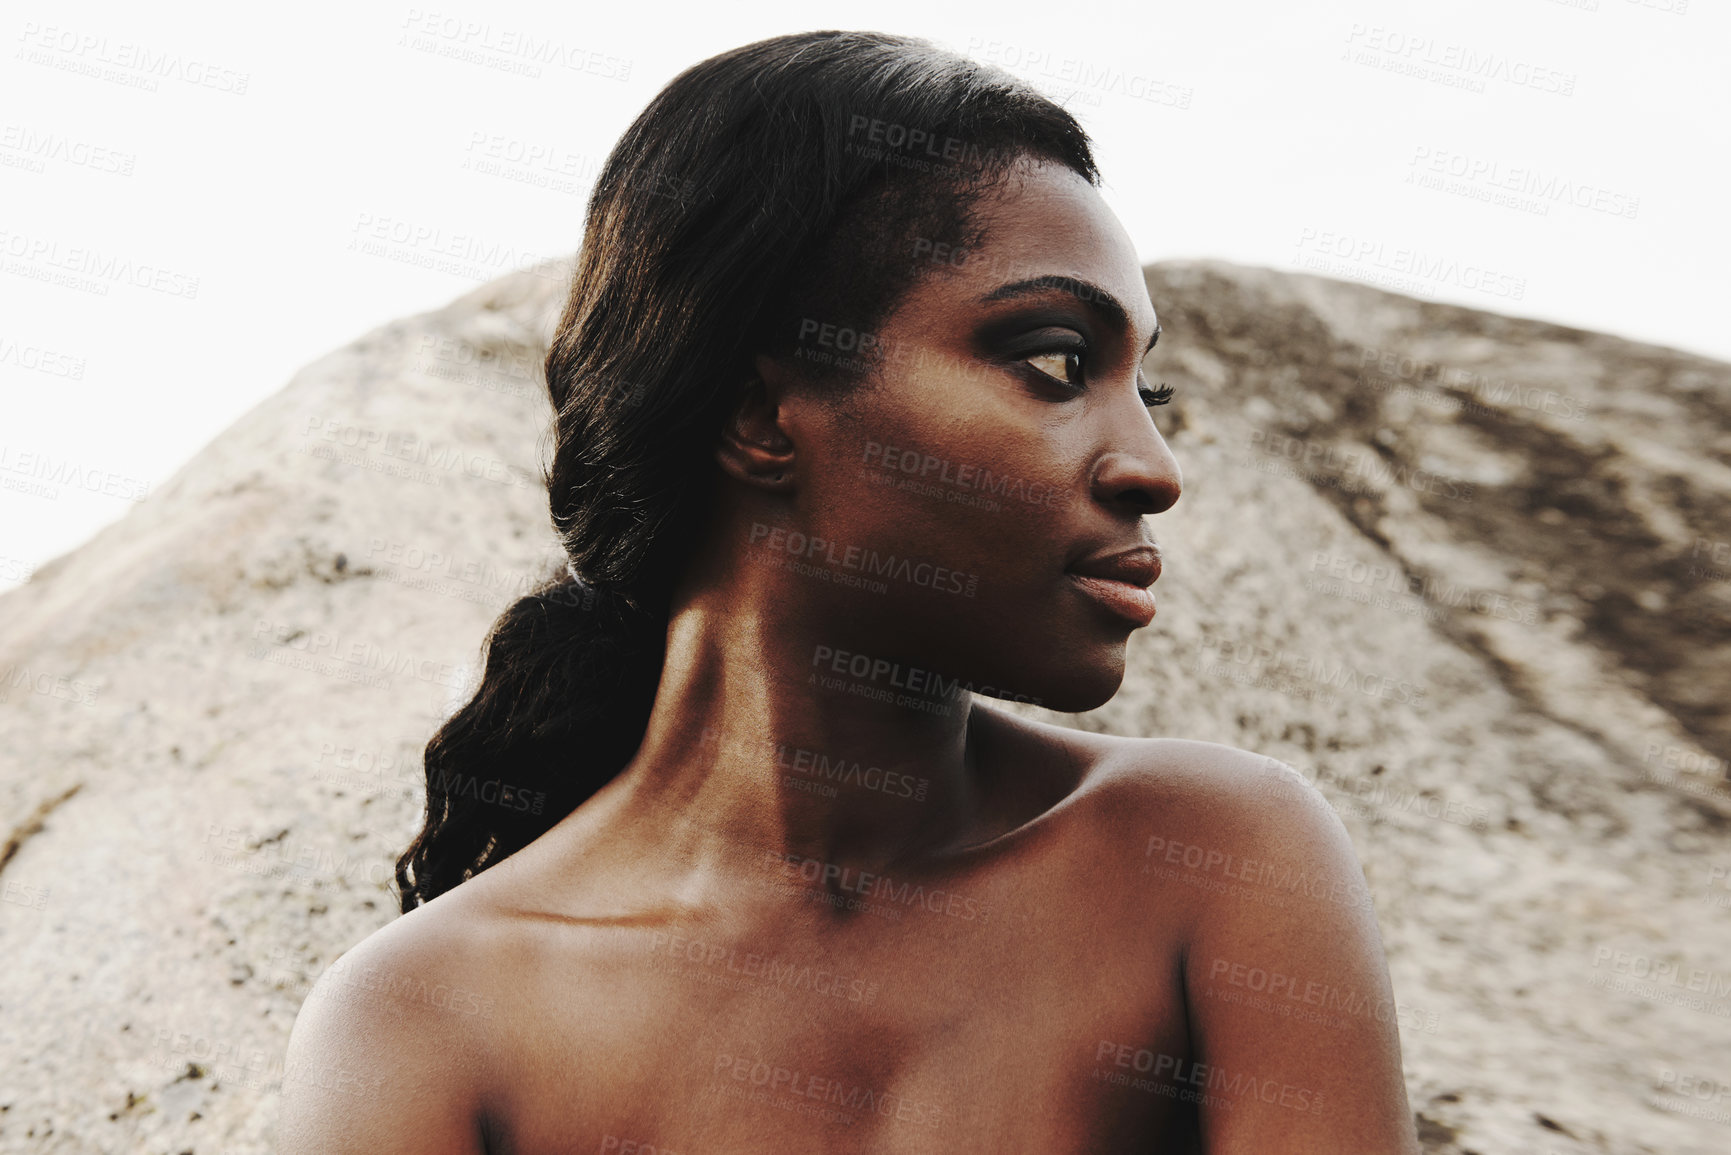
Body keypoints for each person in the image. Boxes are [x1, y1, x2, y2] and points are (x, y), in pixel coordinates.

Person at [278, 30, 1420, 1154]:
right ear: (759, 414)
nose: (1153, 470)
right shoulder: (428, 1024)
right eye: (1060, 361)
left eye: (1148, 388)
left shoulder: (1210, 861)